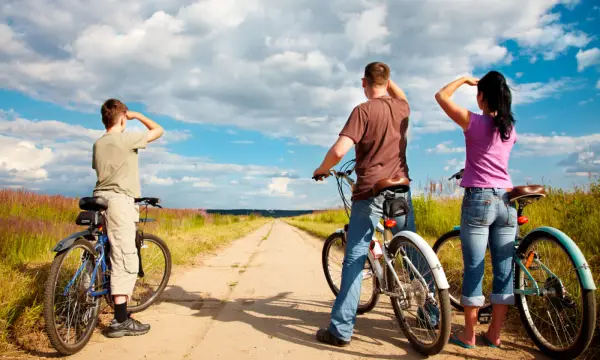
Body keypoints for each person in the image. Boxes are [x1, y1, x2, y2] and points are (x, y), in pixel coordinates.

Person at [313, 61, 434, 346]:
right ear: (388, 81)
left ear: (363, 82)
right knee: (412, 249)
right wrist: (388, 79)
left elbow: (340, 149)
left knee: (355, 257)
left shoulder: (363, 110)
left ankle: (341, 330)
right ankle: (431, 315)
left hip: (370, 191)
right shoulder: (401, 107)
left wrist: (322, 168)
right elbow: (401, 95)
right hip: (401, 189)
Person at [434, 70, 517, 349]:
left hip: (479, 200)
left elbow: (441, 96)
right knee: (504, 269)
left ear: (482, 97)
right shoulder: (510, 129)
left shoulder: (473, 122)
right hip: (507, 201)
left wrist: (465, 79)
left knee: (474, 268)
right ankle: (494, 333)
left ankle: (468, 335)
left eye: (478, 93)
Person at [92, 99, 164, 338]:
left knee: (106, 249)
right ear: (122, 117)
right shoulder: (125, 138)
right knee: (125, 258)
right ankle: (120, 320)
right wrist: (139, 115)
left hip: (98, 198)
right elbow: (158, 130)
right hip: (119, 201)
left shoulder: (98, 143)